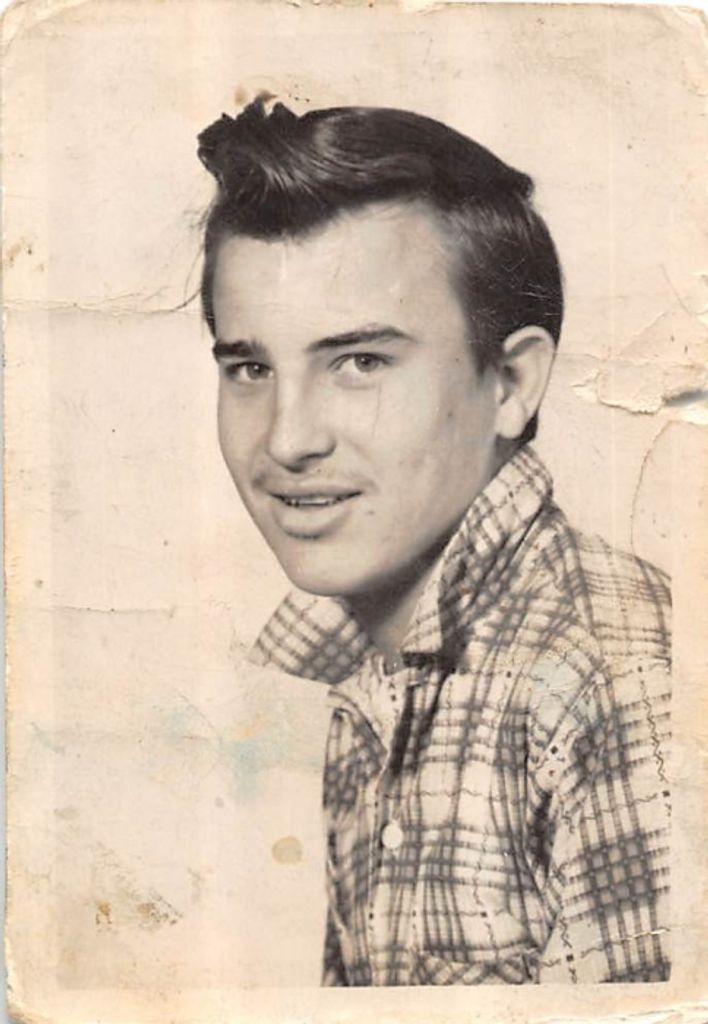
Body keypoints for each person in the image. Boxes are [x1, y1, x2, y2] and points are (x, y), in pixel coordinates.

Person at [196, 98, 671, 986]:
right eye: (250, 368)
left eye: (361, 362)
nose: (288, 439)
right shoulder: (376, 668)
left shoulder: (612, 686)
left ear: (512, 383)